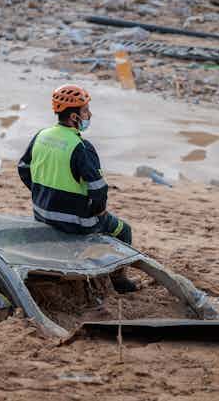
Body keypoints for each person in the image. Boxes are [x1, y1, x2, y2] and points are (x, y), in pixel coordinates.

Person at [18, 84, 137, 293]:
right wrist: (98, 211)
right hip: (75, 223)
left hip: (41, 214)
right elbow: (99, 189)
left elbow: (23, 168)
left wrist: (41, 192)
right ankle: (119, 281)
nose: (89, 114)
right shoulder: (81, 147)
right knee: (123, 230)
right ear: (74, 117)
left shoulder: (41, 136)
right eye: (86, 111)